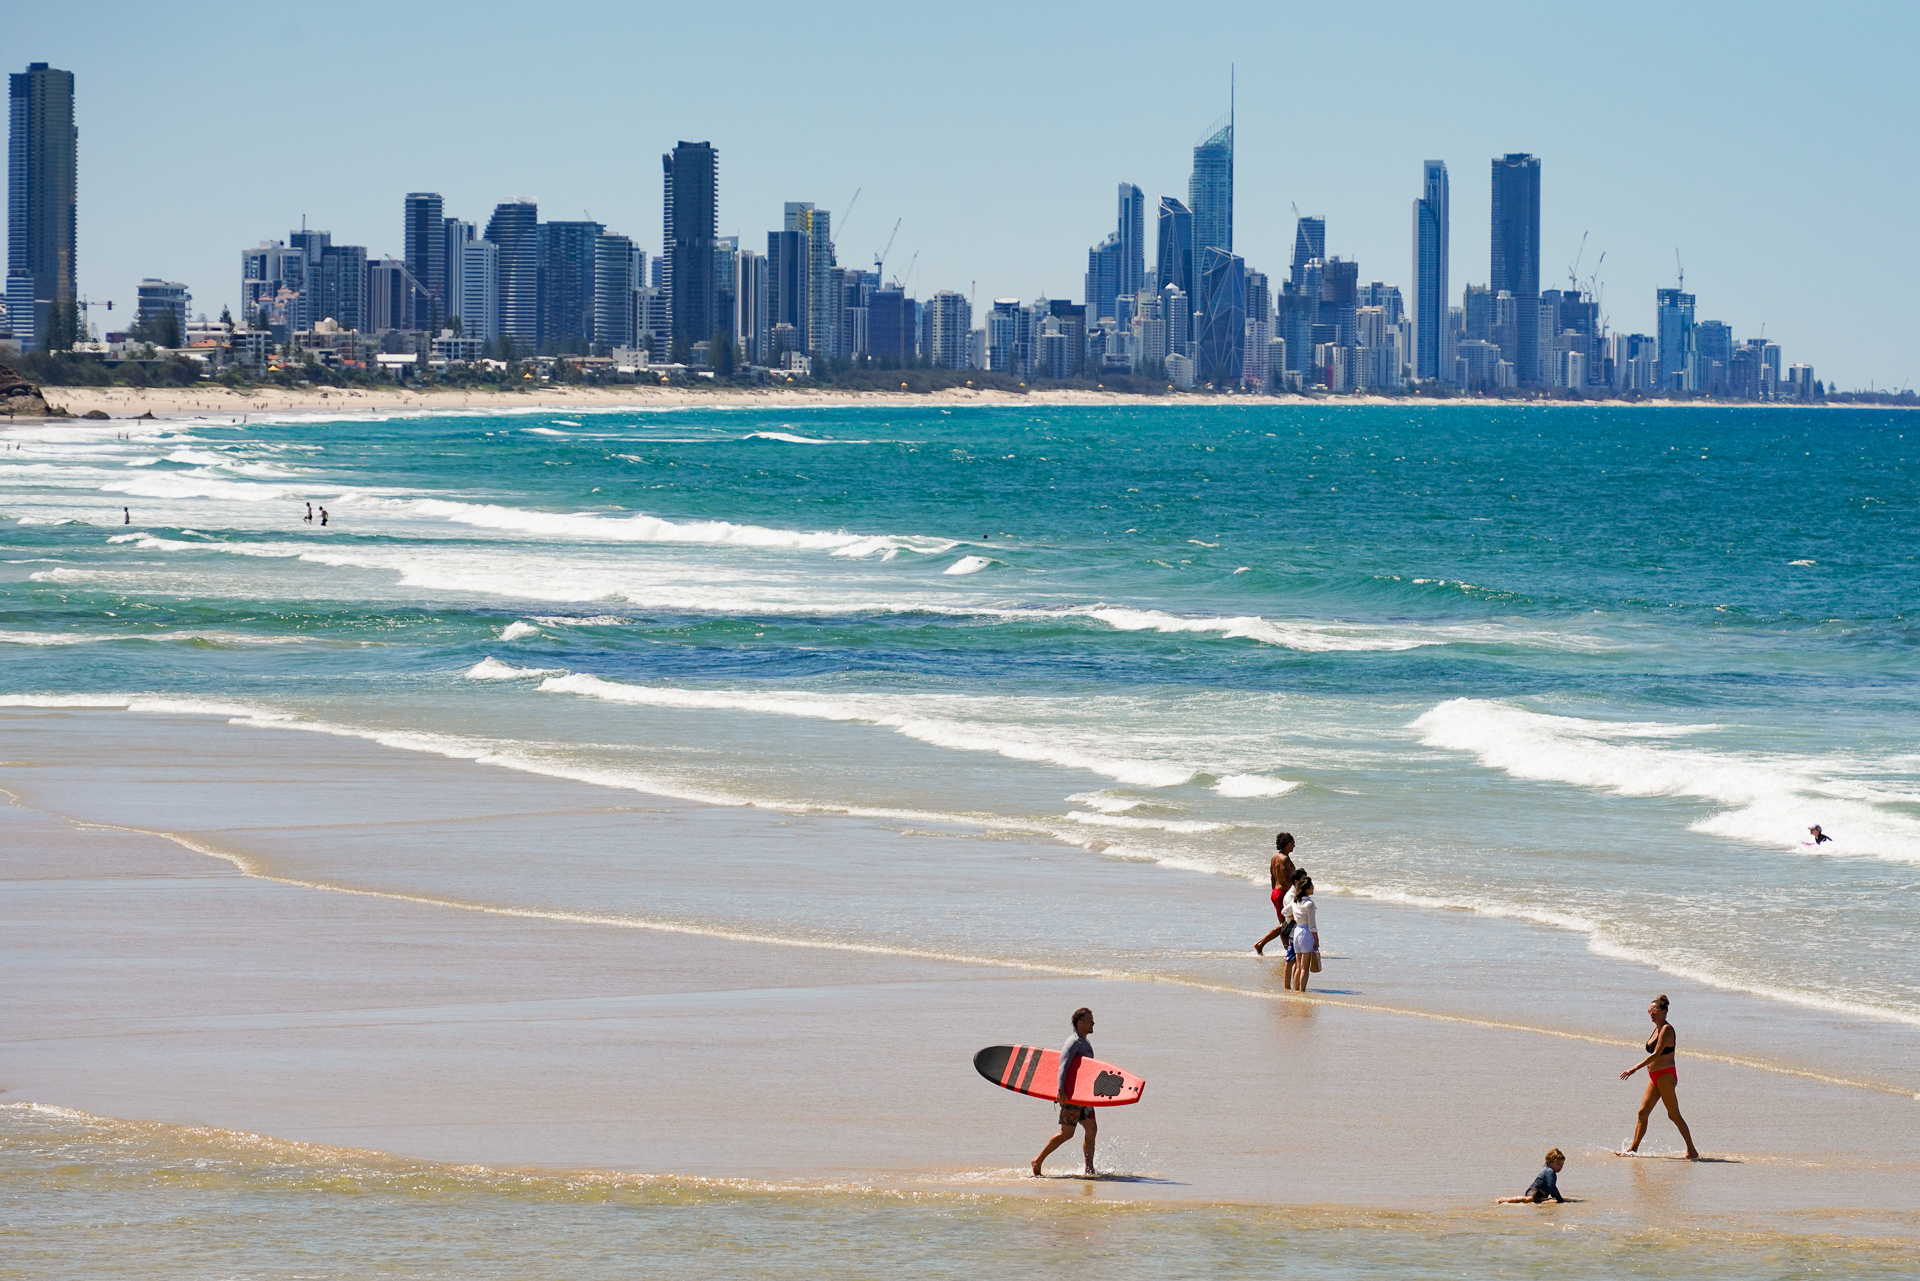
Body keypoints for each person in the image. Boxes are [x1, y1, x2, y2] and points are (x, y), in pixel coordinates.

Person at [1618, 994, 1699, 1159]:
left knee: (1673, 1115)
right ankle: (1633, 1149)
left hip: (1666, 1076)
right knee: (1642, 1113)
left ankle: (1692, 1150)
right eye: (1649, 1010)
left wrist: (1634, 1068)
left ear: (1663, 1011)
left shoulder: (1667, 1030)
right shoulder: (1656, 1029)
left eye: (1654, 1009)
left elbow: (1656, 1055)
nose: (1651, 1013)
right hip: (1654, 1076)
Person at [1031, 1008, 1098, 1177]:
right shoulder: (1073, 1042)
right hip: (1072, 1096)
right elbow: (1063, 1065)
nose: (1093, 1023)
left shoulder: (1085, 1042)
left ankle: (1089, 1169)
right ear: (1079, 1023)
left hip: (1084, 1095)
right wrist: (1060, 1089)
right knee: (1067, 1133)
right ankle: (1038, 1160)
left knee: (1092, 1129)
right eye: (1090, 1020)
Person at [1253, 832, 1299, 955]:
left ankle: (1287, 948)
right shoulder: (1285, 859)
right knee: (1285, 923)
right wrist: (1294, 894)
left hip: (1276, 892)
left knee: (1284, 923)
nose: (1294, 846)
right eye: (1293, 843)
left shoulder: (1274, 858)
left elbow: (1273, 877)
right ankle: (1260, 944)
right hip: (1283, 893)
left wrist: (1275, 892)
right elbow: (1287, 879)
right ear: (1288, 843)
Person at [1497, 1149, 1572, 1203]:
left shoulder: (1552, 1171)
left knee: (1553, 1202)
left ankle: (1545, 1201)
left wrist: (1557, 1198)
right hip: (1534, 1190)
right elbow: (1552, 1186)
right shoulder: (1550, 1171)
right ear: (1549, 1163)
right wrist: (1560, 1199)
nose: (1560, 1167)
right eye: (1558, 1164)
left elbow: (1551, 1188)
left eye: (1562, 1164)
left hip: (1542, 1195)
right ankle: (1506, 1199)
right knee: (1529, 1199)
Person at [1287, 876, 1320, 991]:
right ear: (1307, 889)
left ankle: (1296, 989)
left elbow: (1284, 911)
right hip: (1306, 933)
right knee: (1304, 967)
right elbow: (1312, 925)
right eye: (1312, 887)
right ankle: (1302, 991)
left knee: (1298, 965)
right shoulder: (1309, 904)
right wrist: (1316, 939)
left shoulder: (1295, 901)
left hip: (1297, 931)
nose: (1313, 888)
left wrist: (1296, 918)